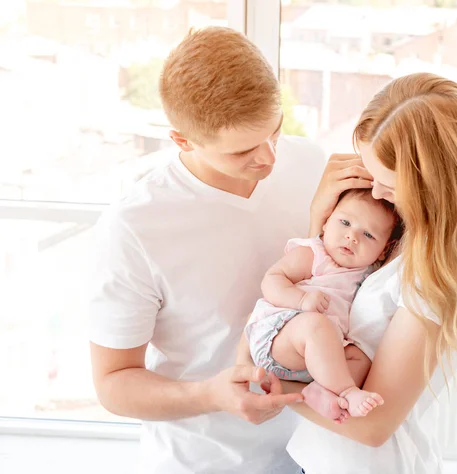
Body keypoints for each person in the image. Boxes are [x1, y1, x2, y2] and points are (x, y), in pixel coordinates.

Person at [87, 27, 372, 474]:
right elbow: (112, 383)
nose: (271, 159)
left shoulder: (310, 164)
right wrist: (212, 394)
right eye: (243, 151)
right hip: (206, 463)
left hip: (317, 452)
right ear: (182, 140)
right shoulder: (134, 228)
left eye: (275, 132)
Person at [280, 72, 457, 474]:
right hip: (321, 458)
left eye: (388, 183)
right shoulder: (405, 237)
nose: (374, 194)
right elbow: (329, 291)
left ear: (434, 184)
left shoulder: (437, 275)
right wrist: (319, 220)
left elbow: (373, 425)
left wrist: (267, 387)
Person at [244, 189, 402, 422]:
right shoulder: (314, 254)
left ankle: (321, 390)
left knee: (362, 357)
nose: (352, 237)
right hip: (279, 337)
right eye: (345, 222)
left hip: (321, 357)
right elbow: (272, 279)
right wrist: (300, 299)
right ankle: (346, 391)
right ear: (326, 223)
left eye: (368, 235)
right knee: (315, 325)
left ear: (384, 250)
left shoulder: (369, 275)